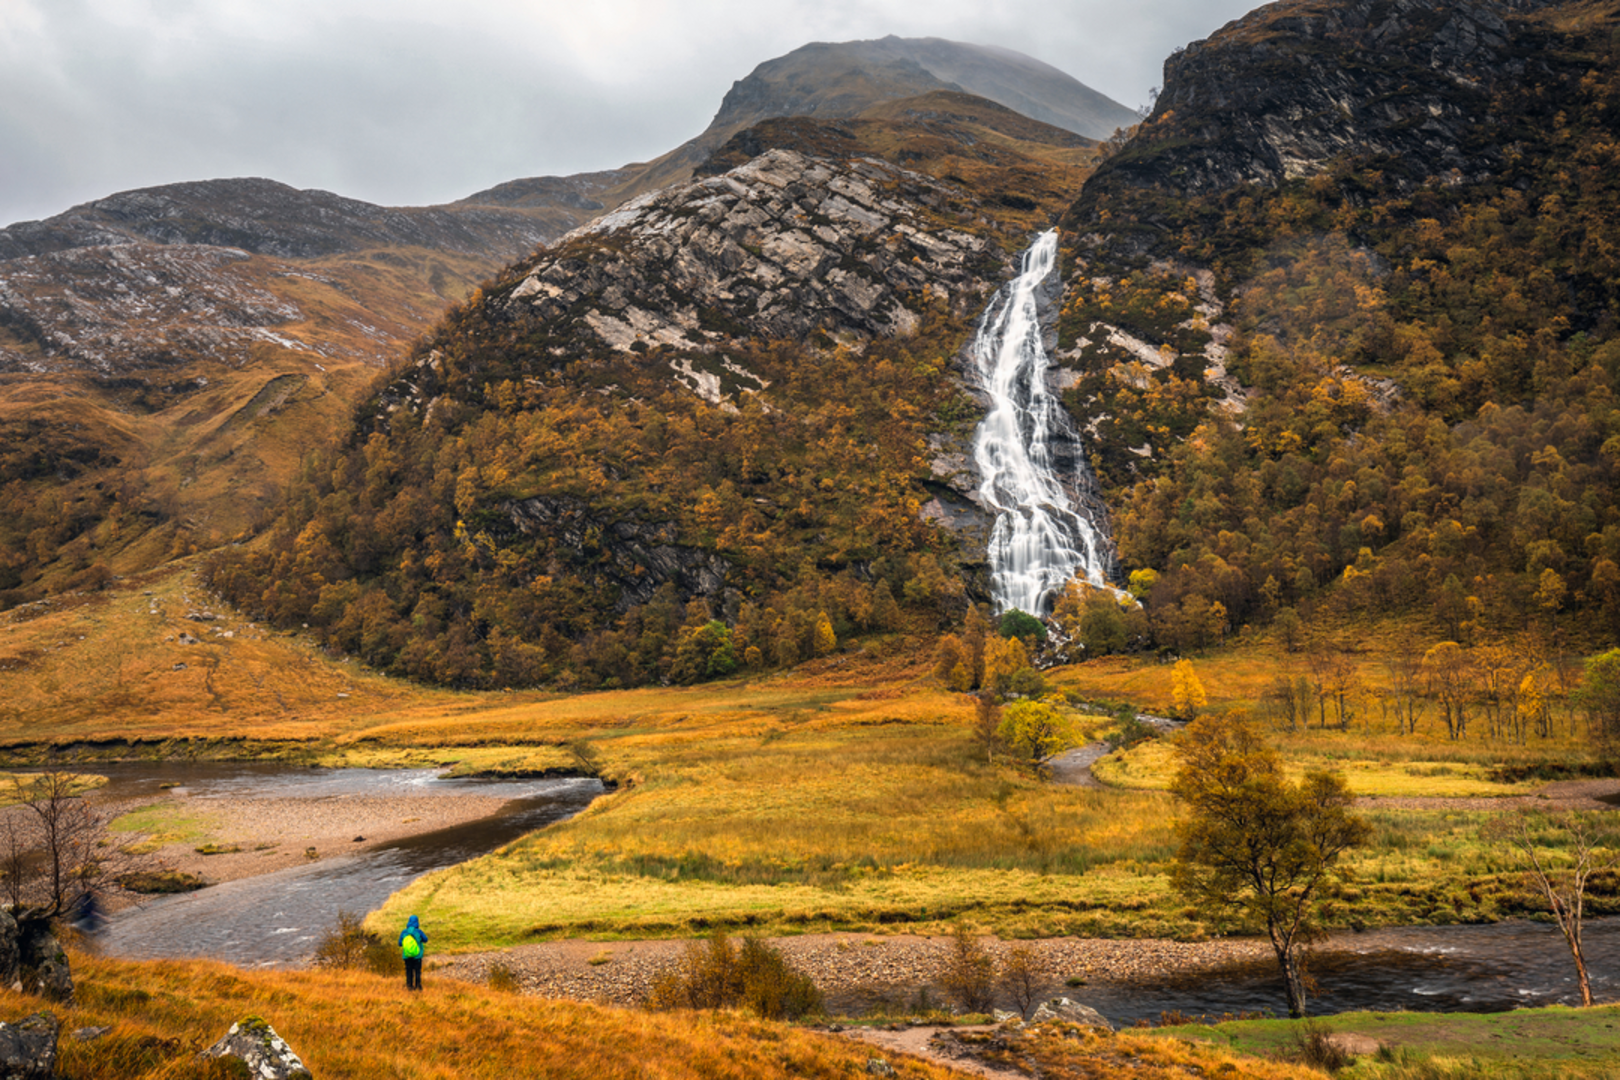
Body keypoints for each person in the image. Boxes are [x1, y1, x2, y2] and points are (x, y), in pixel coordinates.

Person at [399, 914, 427, 991]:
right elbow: (426, 939)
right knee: (417, 971)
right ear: (417, 922)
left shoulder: (404, 932)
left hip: (407, 956)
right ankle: (418, 986)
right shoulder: (419, 932)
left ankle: (409, 986)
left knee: (409, 971)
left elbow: (400, 943)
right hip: (417, 956)